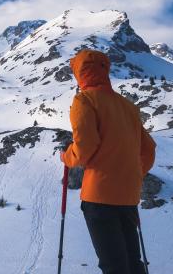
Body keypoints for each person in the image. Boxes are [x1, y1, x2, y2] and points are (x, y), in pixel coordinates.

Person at [60, 49, 156, 274]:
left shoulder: (84, 100)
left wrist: (67, 156)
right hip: (128, 196)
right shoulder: (128, 107)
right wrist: (131, 175)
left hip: (99, 196)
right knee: (133, 261)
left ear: (79, 72)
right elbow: (148, 150)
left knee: (113, 265)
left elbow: (85, 146)